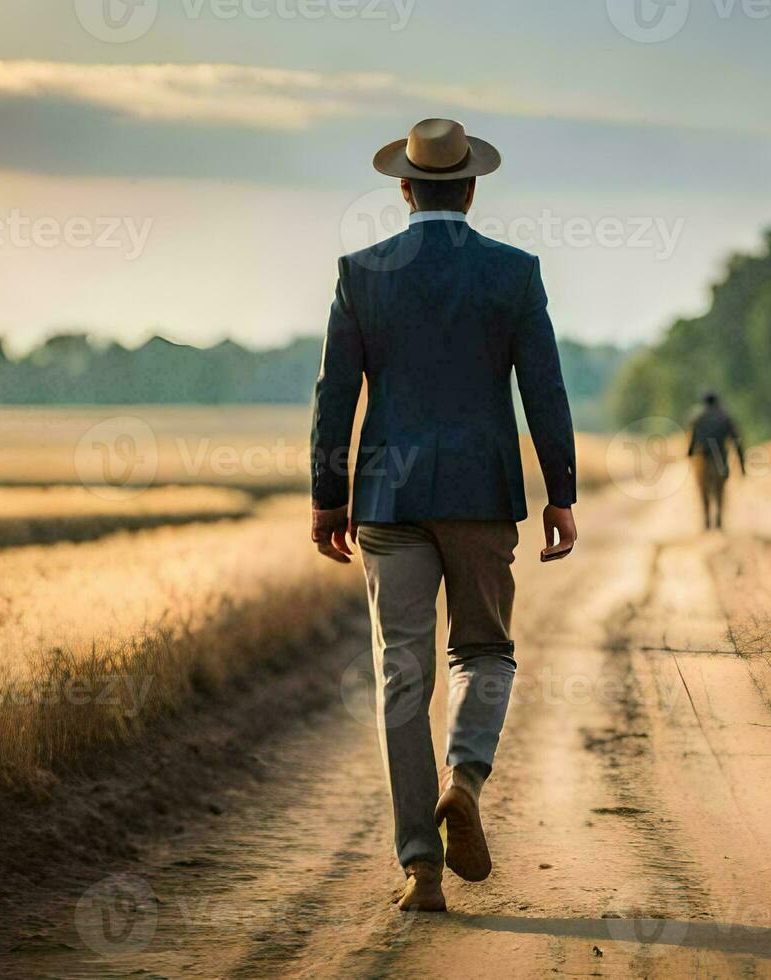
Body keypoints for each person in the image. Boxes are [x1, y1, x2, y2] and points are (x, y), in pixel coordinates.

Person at [308, 118, 579, 912]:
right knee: (486, 651)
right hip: (481, 494)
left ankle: (421, 868)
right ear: (470, 188)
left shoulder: (361, 272)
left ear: (403, 188)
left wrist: (329, 497)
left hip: (389, 499)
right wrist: (560, 490)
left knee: (402, 673)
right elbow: (546, 390)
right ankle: (463, 779)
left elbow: (336, 395)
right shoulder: (514, 273)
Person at [687, 392, 745, 530]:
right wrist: (742, 464)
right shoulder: (725, 417)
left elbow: (693, 440)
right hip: (720, 456)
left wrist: (690, 452)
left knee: (703, 489)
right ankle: (718, 518)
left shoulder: (698, 418)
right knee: (720, 488)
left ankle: (707, 519)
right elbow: (736, 441)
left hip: (702, 457)